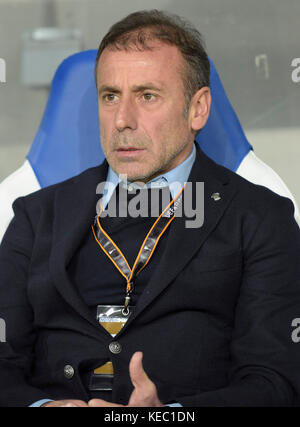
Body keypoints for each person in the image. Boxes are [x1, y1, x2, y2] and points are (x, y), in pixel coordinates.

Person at [0, 10, 300, 408]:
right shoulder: (36, 216)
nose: (122, 120)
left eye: (147, 96)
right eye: (110, 97)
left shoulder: (261, 218)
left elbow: (276, 382)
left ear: (198, 109)